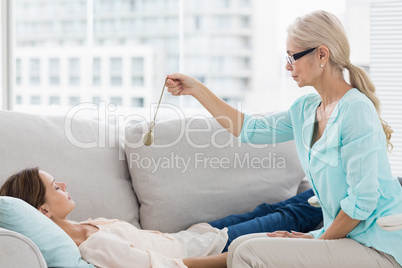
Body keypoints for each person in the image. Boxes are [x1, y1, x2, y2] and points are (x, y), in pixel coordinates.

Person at [165, 10, 402, 268]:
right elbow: (249, 129)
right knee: (240, 244)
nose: (288, 66)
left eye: (292, 56)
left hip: (378, 246)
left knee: (249, 253)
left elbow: (363, 201)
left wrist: (316, 240)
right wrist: (197, 89)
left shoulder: (356, 109)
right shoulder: (305, 109)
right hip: (346, 238)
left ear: (322, 54)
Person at [0, 168, 228, 268]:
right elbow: (162, 266)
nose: (63, 184)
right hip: (208, 249)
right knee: (265, 220)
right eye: (55, 187)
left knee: (265, 209)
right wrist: (229, 258)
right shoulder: (92, 247)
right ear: (43, 211)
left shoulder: (80, 226)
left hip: (193, 235)